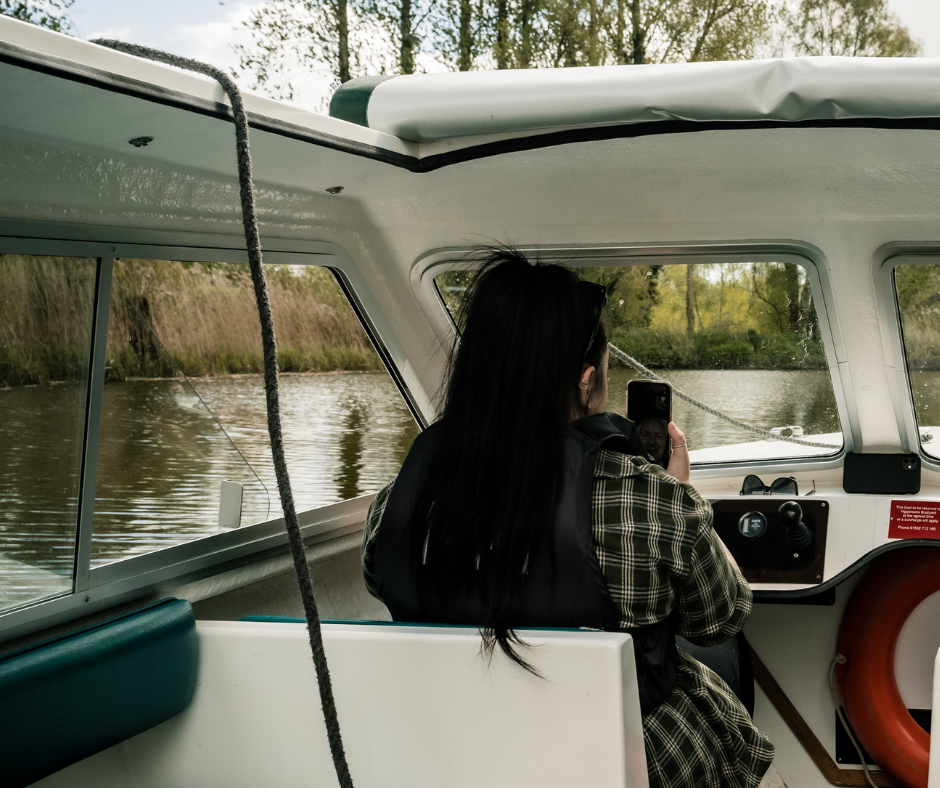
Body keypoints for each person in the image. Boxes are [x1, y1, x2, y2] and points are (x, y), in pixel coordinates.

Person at [360, 249, 779, 788]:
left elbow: (378, 579)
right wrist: (679, 494)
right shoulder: (650, 502)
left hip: (461, 754)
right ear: (585, 380)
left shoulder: (399, 502)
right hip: (617, 757)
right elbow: (721, 617)